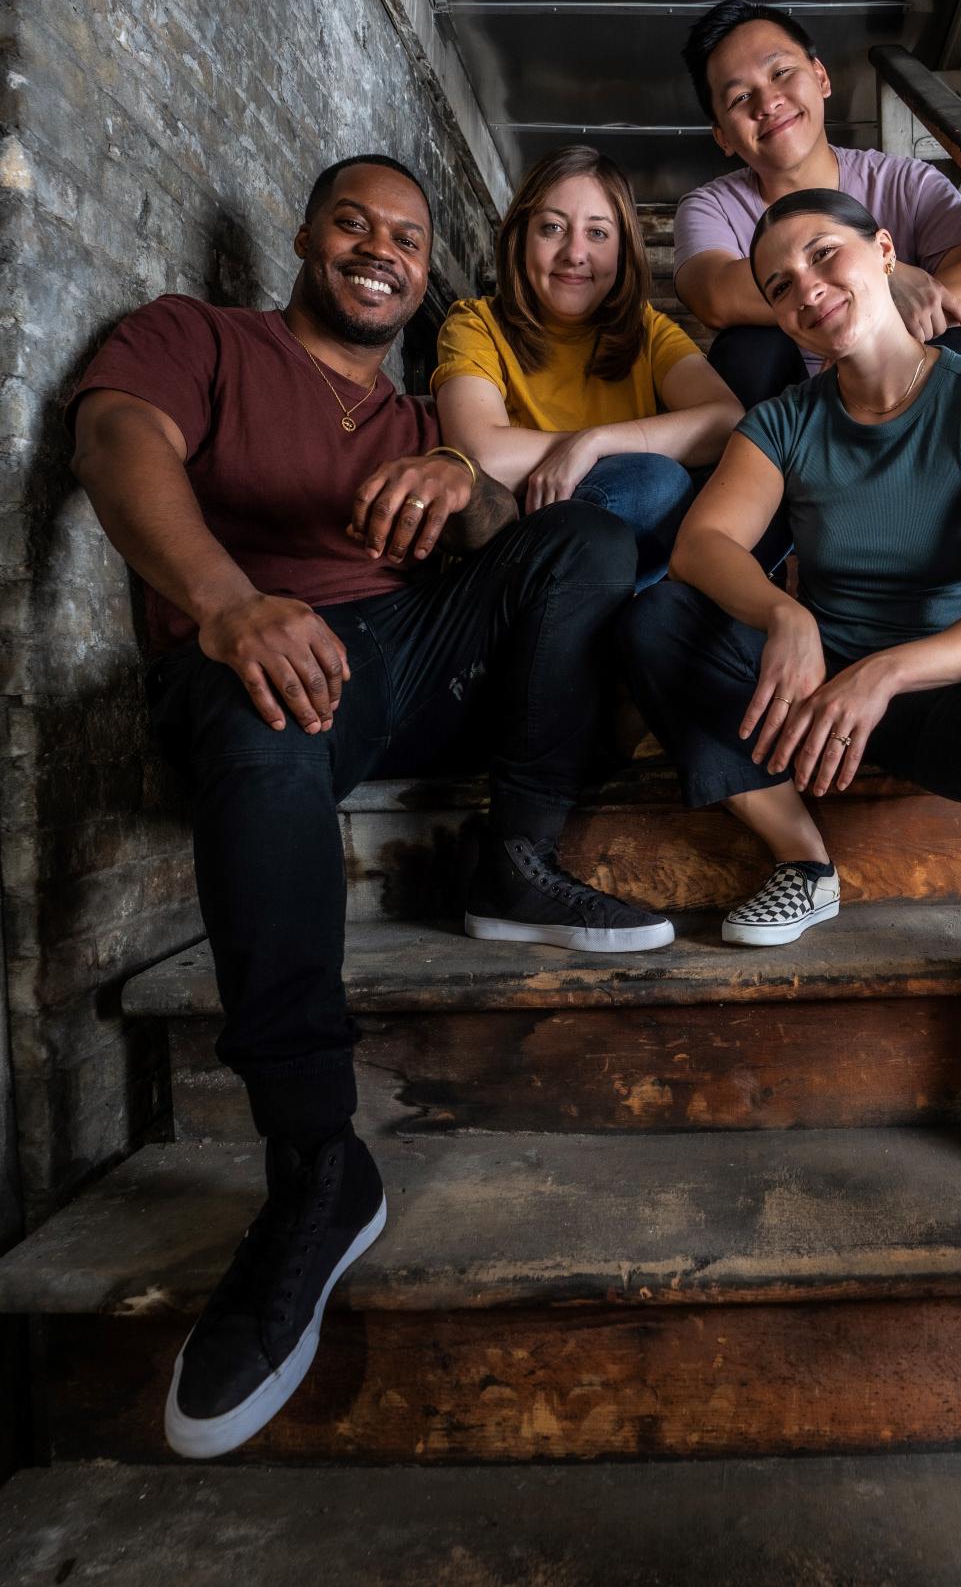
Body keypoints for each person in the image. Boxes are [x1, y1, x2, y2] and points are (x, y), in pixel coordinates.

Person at [69, 155, 675, 1462]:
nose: (379, 247)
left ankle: (516, 855)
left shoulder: (414, 424)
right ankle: (314, 1165)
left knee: (587, 539)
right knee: (258, 715)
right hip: (255, 659)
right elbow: (114, 438)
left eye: (405, 235)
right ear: (304, 236)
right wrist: (227, 601)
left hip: (403, 658)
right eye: (354, 221)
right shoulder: (200, 336)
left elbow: (524, 553)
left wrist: (470, 476)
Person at [621, 187, 961, 1224]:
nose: (807, 292)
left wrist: (884, 672)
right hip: (811, 692)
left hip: (946, 687)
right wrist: (787, 614)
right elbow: (704, 544)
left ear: (882, 251)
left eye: (826, 258)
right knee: (655, 621)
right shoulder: (787, 418)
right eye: (780, 287)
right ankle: (805, 860)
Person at [432, 145, 742, 588]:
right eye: (553, 228)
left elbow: (729, 421)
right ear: (521, 236)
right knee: (655, 480)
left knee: (672, 486)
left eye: (597, 234)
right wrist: (606, 446)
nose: (574, 253)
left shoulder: (647, 332)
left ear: (622, 250)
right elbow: (482, 454)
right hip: (517, 555)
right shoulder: (475, 323)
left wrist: (595, 444)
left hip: (622, 563)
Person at [674, 0, 961, 417]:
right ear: (722, 136)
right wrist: (884, 280)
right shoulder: (710, 208)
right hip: (794, 420)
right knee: (747, 348)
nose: (768, 103)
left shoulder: (905, 182)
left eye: (781, 73)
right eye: (739, 98)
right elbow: (715, 293)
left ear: (821, 76)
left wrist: (867, 338)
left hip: (905, 400)